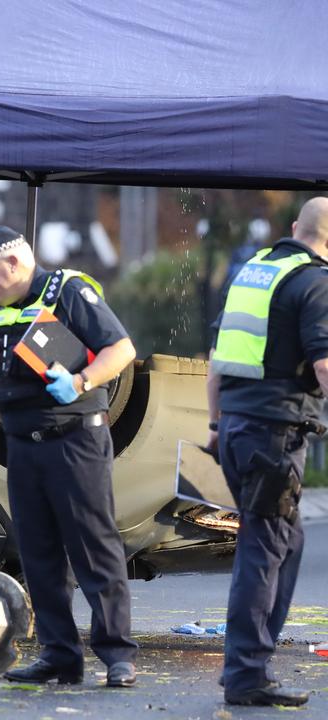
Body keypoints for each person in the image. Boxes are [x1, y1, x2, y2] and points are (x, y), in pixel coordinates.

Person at [0, 225, 138, 688]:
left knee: (93, 550)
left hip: (75, 441)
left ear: (14, 263)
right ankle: (60, 657)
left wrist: (80, 383)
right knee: (39, 558)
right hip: (23, 449)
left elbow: (121, 349)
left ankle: (117, 656)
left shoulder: (67, 291)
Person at [205, 198, 328, 708]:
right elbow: (324, 365)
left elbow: (215, 362)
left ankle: (246, 660)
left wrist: (215, 426)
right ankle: (246, 674)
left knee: (287, 541)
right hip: (273, 434)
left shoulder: (256, 272)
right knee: (265, 548)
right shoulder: (316, 281)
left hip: (235, 427)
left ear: (295, 226)